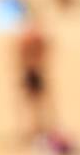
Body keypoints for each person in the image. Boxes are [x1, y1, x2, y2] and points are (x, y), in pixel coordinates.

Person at [16, 8, 53, 144]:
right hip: (34, 70)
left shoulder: (27, 36)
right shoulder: (33, 36)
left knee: (33, 102)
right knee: (35, 102)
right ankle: (34, 128)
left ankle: (33, 129)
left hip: (31, 70)